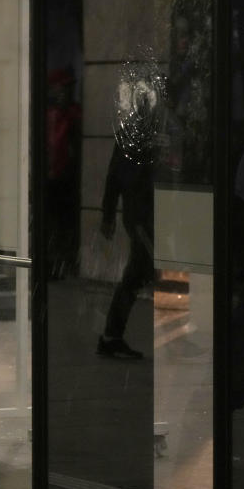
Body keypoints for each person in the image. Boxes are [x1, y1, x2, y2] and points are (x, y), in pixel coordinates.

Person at [97, 139, 155, 359]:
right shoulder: (136, 129)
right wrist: (108, 215)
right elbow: (115, 176)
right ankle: (111, 336)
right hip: (142, 214)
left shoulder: (153, 123)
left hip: (148, 211)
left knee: (140, 272)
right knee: (140, 271)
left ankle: (111, 337)